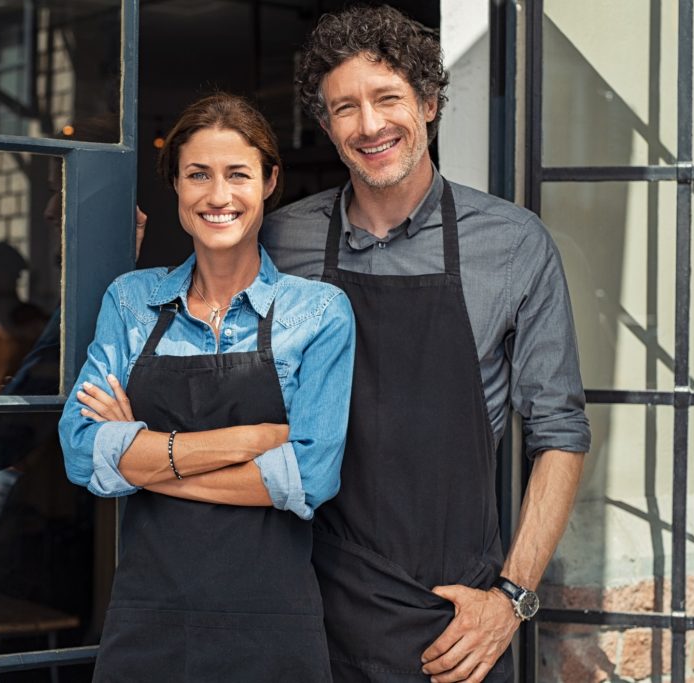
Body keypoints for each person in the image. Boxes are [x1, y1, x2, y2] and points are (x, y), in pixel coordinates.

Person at [258, 5, 591, 682]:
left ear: (430, 102)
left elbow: (559, 432)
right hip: (305, 605)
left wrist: (512, 597)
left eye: (387, 98)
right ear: (326, 125)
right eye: (344, 107)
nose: (369, 124)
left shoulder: (513, 243)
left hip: (454, 624)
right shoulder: (279, 240)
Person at [58, 93, 354, 681]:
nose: (218, 196)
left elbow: (311, 477)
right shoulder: (132, 301)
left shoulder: (319, 313)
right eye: (198, 175)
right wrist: (252, 440)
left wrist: (144, 460)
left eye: (237, 174)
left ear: (270, 182)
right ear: (176, 186)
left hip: (272, 627)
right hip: (149, 620)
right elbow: (79, 451)